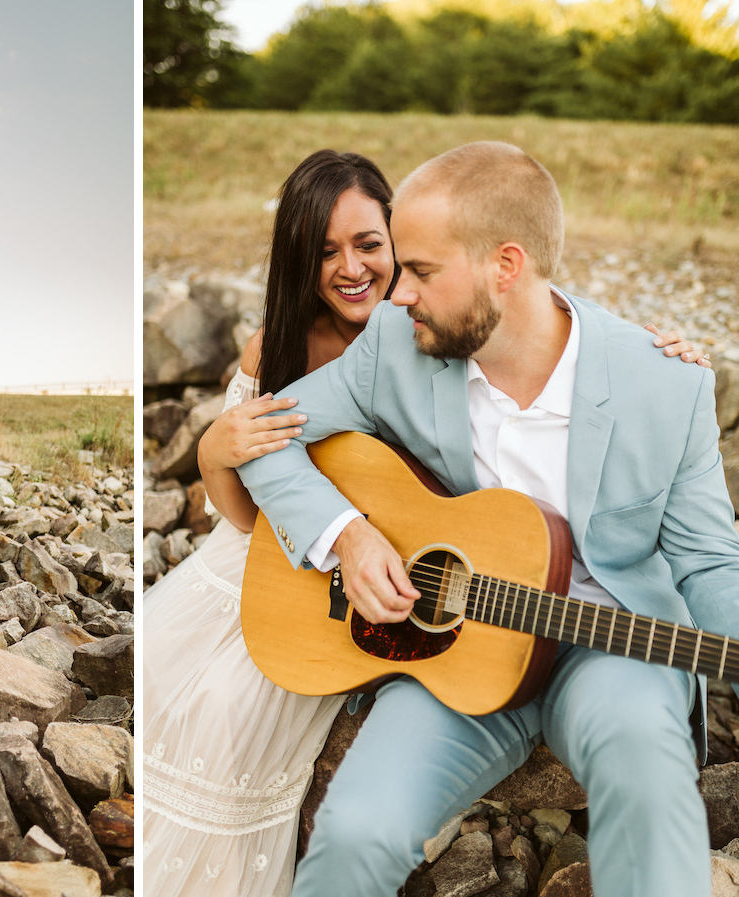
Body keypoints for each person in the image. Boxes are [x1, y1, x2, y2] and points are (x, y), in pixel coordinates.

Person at [141, 149, 710, 897]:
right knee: (328, 813)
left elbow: (710, 560)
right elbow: (263, 453)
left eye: (410, 265)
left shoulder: (652, 374)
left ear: (503, 266)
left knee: (646, 769)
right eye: (334, 253)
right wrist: (339, 528)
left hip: (592, 643)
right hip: (399, 614)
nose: (392, 290)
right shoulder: (388, 344)